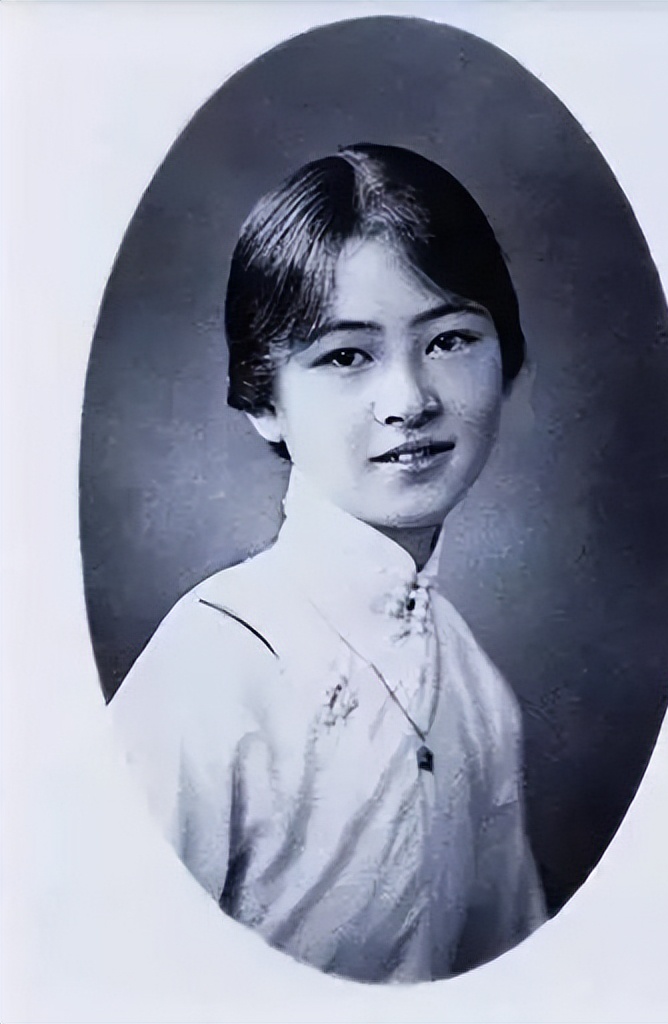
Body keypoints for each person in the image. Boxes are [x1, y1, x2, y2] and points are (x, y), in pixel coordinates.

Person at [110, 143, 546, 983]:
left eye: (450, 339)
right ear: (264, 399)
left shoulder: (474, 684)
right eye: (347, 355)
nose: (409, 400)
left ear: (506, 357)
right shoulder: (212, 668)